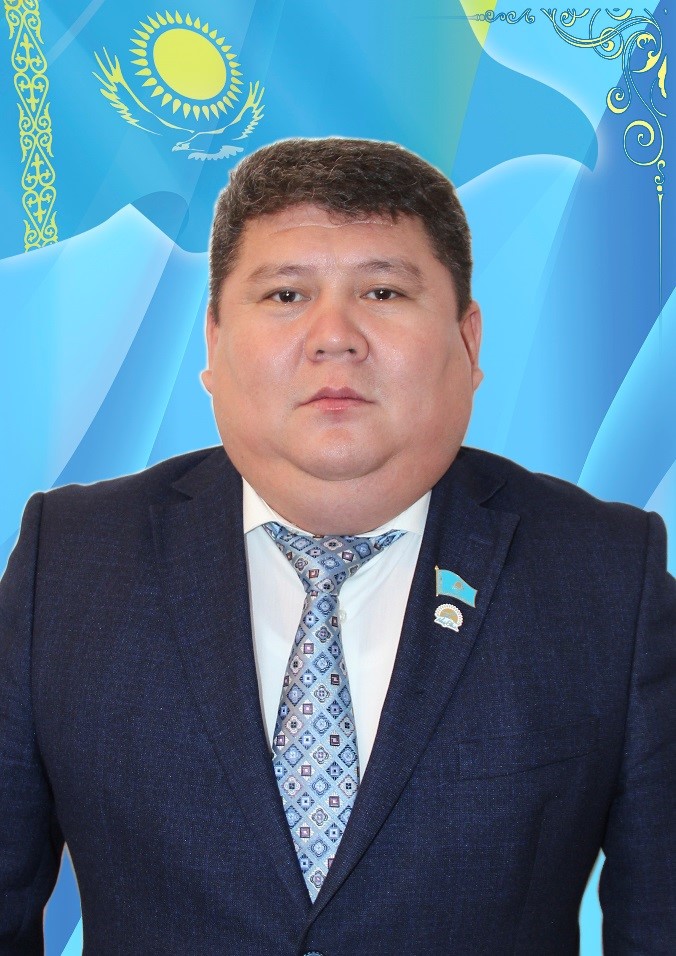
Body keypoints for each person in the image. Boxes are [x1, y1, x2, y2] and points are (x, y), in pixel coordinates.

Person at [0, 138, 673, 956]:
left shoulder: (607, 575)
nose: (334, 337)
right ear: (213, 343)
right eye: (285, 294)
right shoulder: (70, 561)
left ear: (468, 342)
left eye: (383, 291)